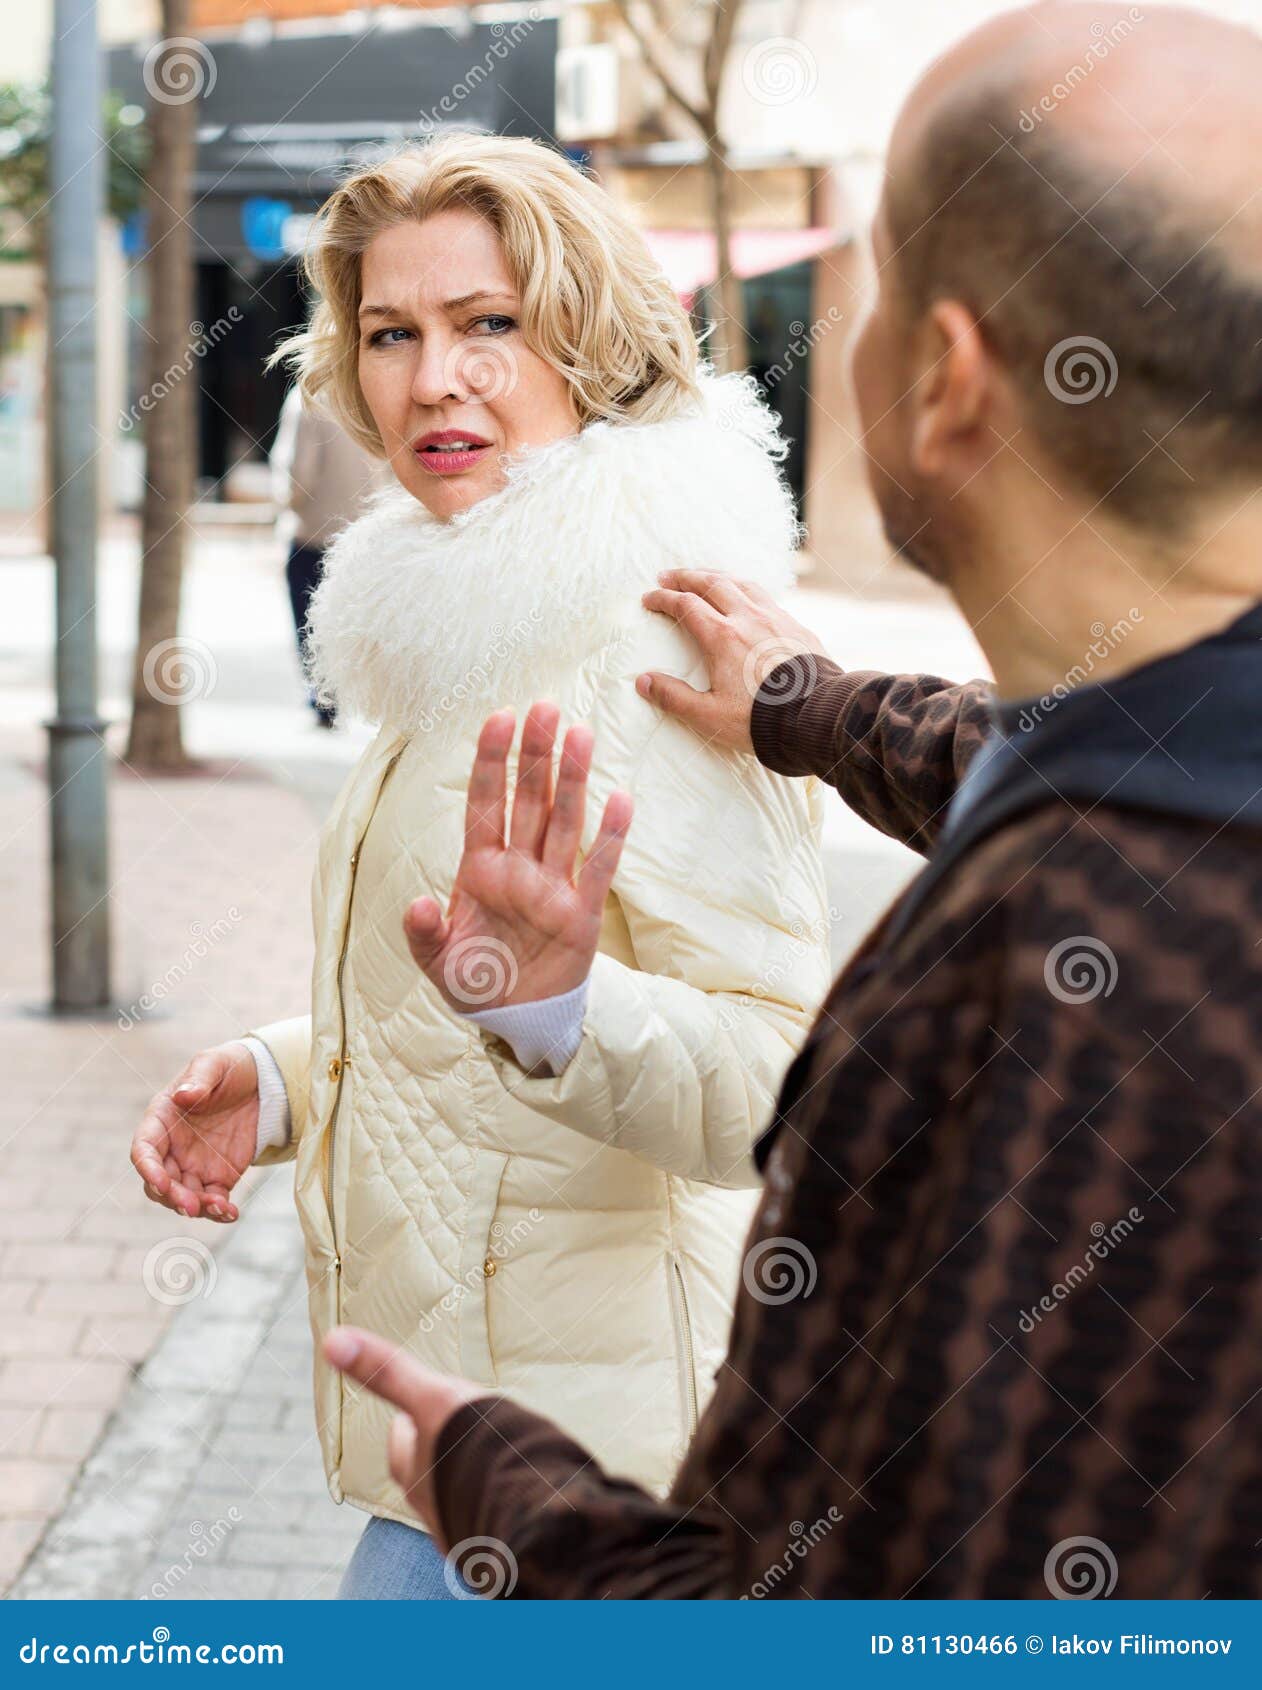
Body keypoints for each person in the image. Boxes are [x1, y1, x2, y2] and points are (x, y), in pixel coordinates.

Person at [322, 2, 1262, 1598]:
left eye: (881, 284)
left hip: (555, 1502)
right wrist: (823, 711)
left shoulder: (1066, 950)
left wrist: (516, 1485)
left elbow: (855, 1598)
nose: (431, 376)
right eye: (389, 330)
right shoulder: (1134, 804)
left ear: (944, 380)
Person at [129, 133, 832, 1600]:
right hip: (454, 1445)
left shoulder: (644, 645)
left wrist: (563, 1013)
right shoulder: (459, 621)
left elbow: (788, 1089)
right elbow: (471, 1003)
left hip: (600, 1473)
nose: (432, 379)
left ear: (585, 337)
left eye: (487, 325)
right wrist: (279, 1078)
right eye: (391, 333)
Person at [269, 383, 387, 727]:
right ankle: (353, 693)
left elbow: (297, 471)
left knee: (309, 619)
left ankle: (324, 699)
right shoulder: (373, 389)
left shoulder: (308, 398)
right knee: (353, 616)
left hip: (312, 530)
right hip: (365, 530)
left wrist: (285, 505)